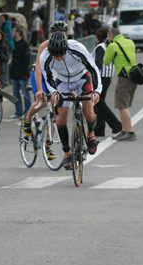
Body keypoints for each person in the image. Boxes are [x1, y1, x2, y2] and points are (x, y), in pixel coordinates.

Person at [40, 32, 101, 170]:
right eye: (56, 55)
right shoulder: (45, 56)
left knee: (89, 113)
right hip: (62, 81)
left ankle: (91, 134)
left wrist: (97, 91)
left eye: (61, 54)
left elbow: (93, 69)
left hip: (81, 77)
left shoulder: (77, 48)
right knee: (61, 119)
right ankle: (67, 153)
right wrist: (54, 92)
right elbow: (48, 76)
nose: (59, 58)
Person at [103, 27, 138, 141]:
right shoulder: (130, 42)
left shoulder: (113, 46)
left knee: (121, 106)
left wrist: (108, 47)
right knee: (124, 105)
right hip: (133, 76)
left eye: (108, 36)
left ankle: (129, 131)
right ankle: (124, 130)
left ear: (111, 36)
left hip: (124, 78)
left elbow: (106, 61)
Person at [92, 28, 122, 138]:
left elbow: (98, 64)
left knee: (99, 103)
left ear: (98, 38)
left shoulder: (100, 48)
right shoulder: (109, 46)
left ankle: (117, 125)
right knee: (100, 103)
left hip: (101, 78)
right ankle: (99, 129)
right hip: (107, 77)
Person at [9, 27, 31, 119]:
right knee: (16, 94)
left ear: (18, 33)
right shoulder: (14, 44)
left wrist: (23, 72)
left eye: (13, 31)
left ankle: (28, 112)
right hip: (15, 74)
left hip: (23, 75)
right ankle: (18, 112)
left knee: (25, 94)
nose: (12, 33)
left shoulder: (25, 44)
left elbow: (27, 60)